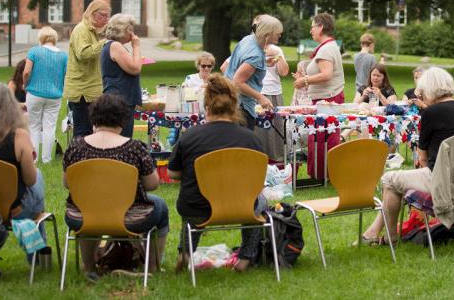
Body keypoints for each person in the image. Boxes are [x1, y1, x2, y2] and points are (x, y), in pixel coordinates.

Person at [360, 67, 454, 243]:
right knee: (397, 181)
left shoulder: (430, 113)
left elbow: (421, 159)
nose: (421, 96)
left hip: (441, 181)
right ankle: (374, 232)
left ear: (430, 89)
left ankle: (390, 237)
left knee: (389, 179)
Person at [62, 94, 169, 281]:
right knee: (160, 205)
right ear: (123, 119)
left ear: (93, 117)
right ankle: (151, 267)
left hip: (84, 216)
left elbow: (67, 183)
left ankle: (89, 267)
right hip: (130, 216)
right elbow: (152, 184)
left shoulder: (75, 147)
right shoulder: (135, 148)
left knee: (86, 210)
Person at [167, 75, 265, 273]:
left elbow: (173, 174)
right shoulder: (251, 139)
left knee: (191, 204)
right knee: (260, 201)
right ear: (234, 106)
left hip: (197, 206)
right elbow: (259, 179)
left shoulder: (189, 137)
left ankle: (185, 252)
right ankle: (245, 257)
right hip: (241, 206)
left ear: (207, 107)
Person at [0, 83, 49, 265]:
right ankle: (37, 258)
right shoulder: (20, 136)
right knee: (37, 176)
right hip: (18, 211)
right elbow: (30, 181)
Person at [224, 15, 283, 129]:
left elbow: (243, 63)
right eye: (277, 33)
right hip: (241, 107)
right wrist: (260, 97)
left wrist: (263, 63)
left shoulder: (248, 39)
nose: (280, 35)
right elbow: (238, 82)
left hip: (229, 101)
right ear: (267, 34)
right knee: (242, 145)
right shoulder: (255, 55)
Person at [63, 0, 111, 136]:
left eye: (108, 16)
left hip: (90, 88)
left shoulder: (92, 31)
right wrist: (104, 43)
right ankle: (79, 157)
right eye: (104, 15)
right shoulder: (81, 30)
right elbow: (83, 54)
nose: (107, 20)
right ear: (93, 14)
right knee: (82, 131)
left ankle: (86, 156)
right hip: (82, 91)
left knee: (89, 131)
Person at [23, 27, 68, 163]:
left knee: (34, 126)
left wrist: (25, 85)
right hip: (54, 96)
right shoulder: (64, 55)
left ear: (41, 38)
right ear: (54, 38)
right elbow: (66, 74)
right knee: (50, 127)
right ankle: (47, 159)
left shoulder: (34, 51)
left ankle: (34, 159)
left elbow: (26, 72)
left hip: (35, 93)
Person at [101, 14, 142, 139]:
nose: (132, 32)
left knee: (120, 138)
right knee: (122, 139)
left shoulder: (113, 45)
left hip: (119, 98)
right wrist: (136, 46)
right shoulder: (115, 46)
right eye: (130, 29)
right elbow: (135, 68)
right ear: (121, 30)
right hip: (119, 100)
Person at [293, 13, 345, 104]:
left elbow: (326, 75)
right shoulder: (328, 46)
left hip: (328, 99)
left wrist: (304, 80)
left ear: (320, 27)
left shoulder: (326, 48)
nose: (310, 31)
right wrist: (305, 78)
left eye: (312, 27)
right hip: (326, 98)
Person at [256, 43, 289, 161]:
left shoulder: (276, 49)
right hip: (258, 93)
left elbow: (284, 72)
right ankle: (259, 156)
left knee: (277, 125)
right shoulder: (252, 46)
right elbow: (227, 66)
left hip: (275, 92)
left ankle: (276, 157)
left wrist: (278, 56)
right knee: (260, 128)